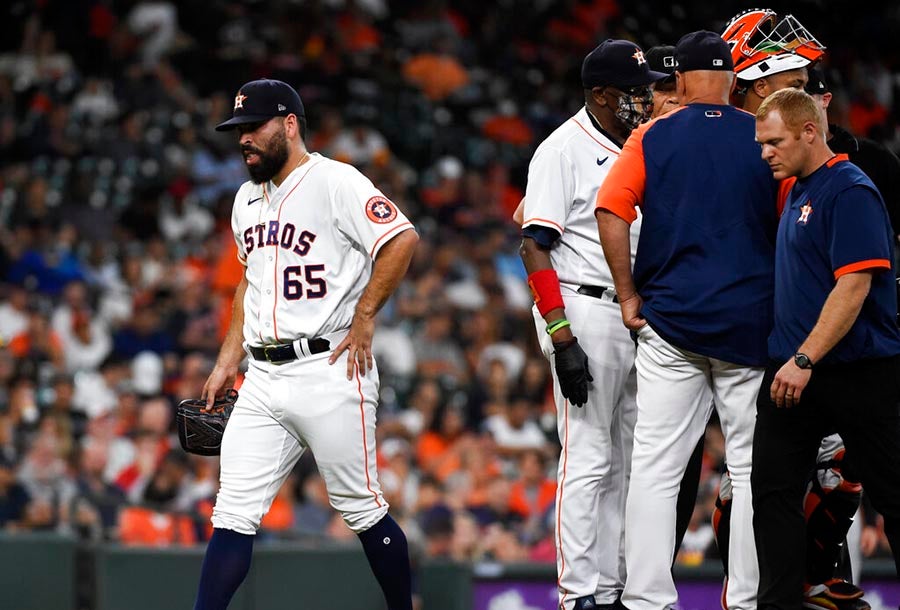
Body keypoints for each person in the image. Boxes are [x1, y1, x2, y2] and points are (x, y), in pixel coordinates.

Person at [193, 79, 419, 610]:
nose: (243, 138)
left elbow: (401, 238)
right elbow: (249, 279)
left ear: (289, 124)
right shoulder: (246, 197)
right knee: (232, 512)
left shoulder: (336, 181)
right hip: (263, 378)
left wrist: (365, 315)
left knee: (362, 508)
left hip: (330, 368)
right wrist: (229, 355)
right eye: (238, 130)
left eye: (254, 128)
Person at [595, 31, 779, 610]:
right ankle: (746, 599)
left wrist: (627, 295)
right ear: (731, 80)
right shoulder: (762, 136)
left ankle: (648, 598)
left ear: (677, 81)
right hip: (751, 325)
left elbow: (610, 209)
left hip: (671, 325)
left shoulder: (653, 134)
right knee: (750, 472)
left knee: (655, 468)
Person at [519, 39, 664, 610]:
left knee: (627, 456)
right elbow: (533, 245)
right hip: (580, 304)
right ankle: (577, 592)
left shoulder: (638, 143)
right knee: (587, 452)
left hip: (630, 309)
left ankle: (610, 586)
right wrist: (561, 336)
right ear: (600, 94)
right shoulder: (562, 149)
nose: (642, 96)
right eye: (631, 90)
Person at [752, 87, 900, 610]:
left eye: (774, 142)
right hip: (794, 372)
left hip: (856, 370)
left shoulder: (850, 189)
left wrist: (804, 358)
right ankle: (778, 605)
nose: (764, 152)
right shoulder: (798, 187)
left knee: (892, 493)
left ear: (809, 131)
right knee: (771, 492)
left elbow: (854, 284)